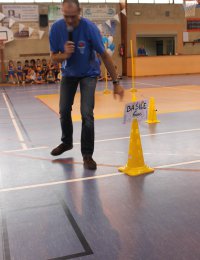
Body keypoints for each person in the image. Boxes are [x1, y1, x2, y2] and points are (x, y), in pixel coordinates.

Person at [49, 0, 124, 170]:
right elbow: (53, 57)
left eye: (73, 16)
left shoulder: (90, 28)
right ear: (62, 12)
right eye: (66, 16)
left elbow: (104, 55)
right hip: (68, 74)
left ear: (80, 11)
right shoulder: (56, 28)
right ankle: (67, 142)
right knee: (64, 110)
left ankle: (87, 155)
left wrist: (116, 82)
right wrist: (65, 55)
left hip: (89, 74)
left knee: (87, 114)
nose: (69, 20)